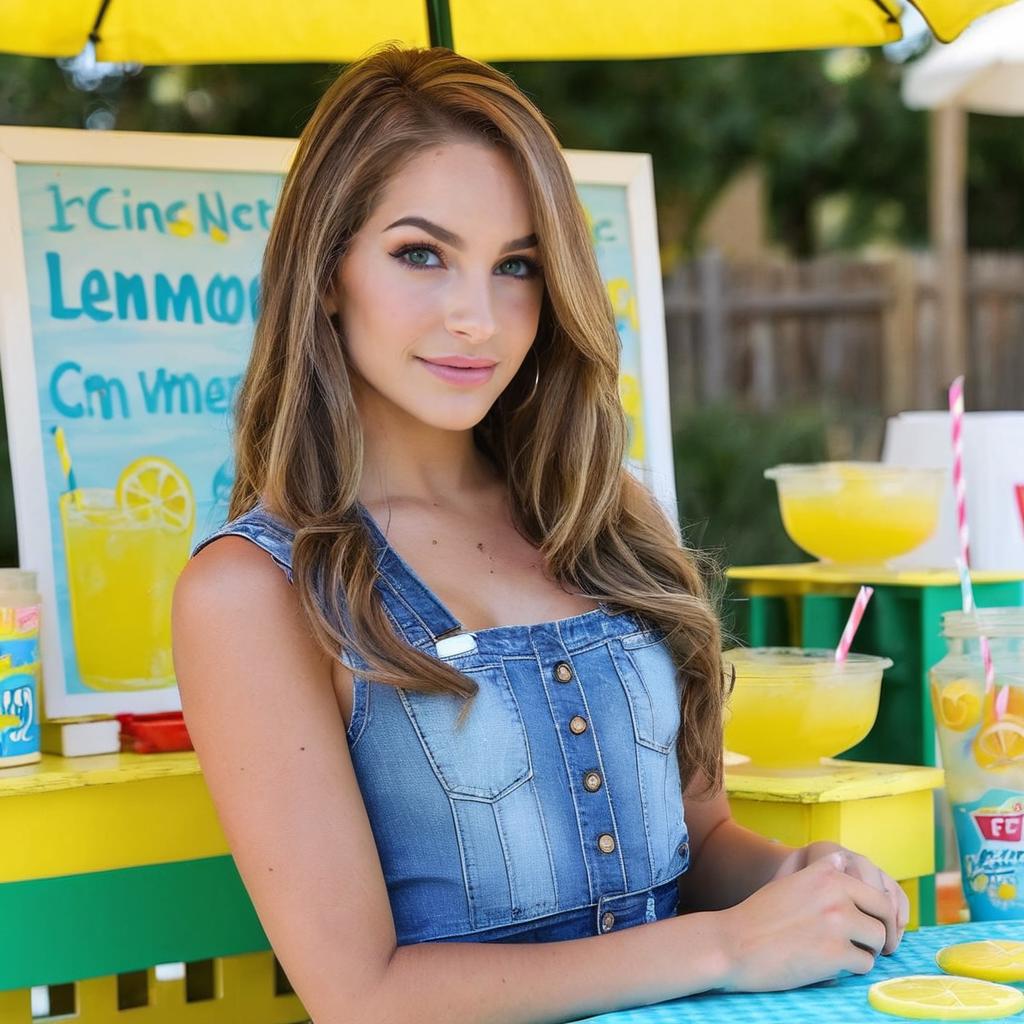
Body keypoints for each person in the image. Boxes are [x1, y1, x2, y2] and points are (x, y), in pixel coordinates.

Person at [172, 44, 909, 1024]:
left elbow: (698, 844)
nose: (476, 318)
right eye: (420, 253)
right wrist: (727, 945)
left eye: (515, 265)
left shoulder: (608, 519)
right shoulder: (255, 591)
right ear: (328, 269)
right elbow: (363, 996)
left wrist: (797, 884)